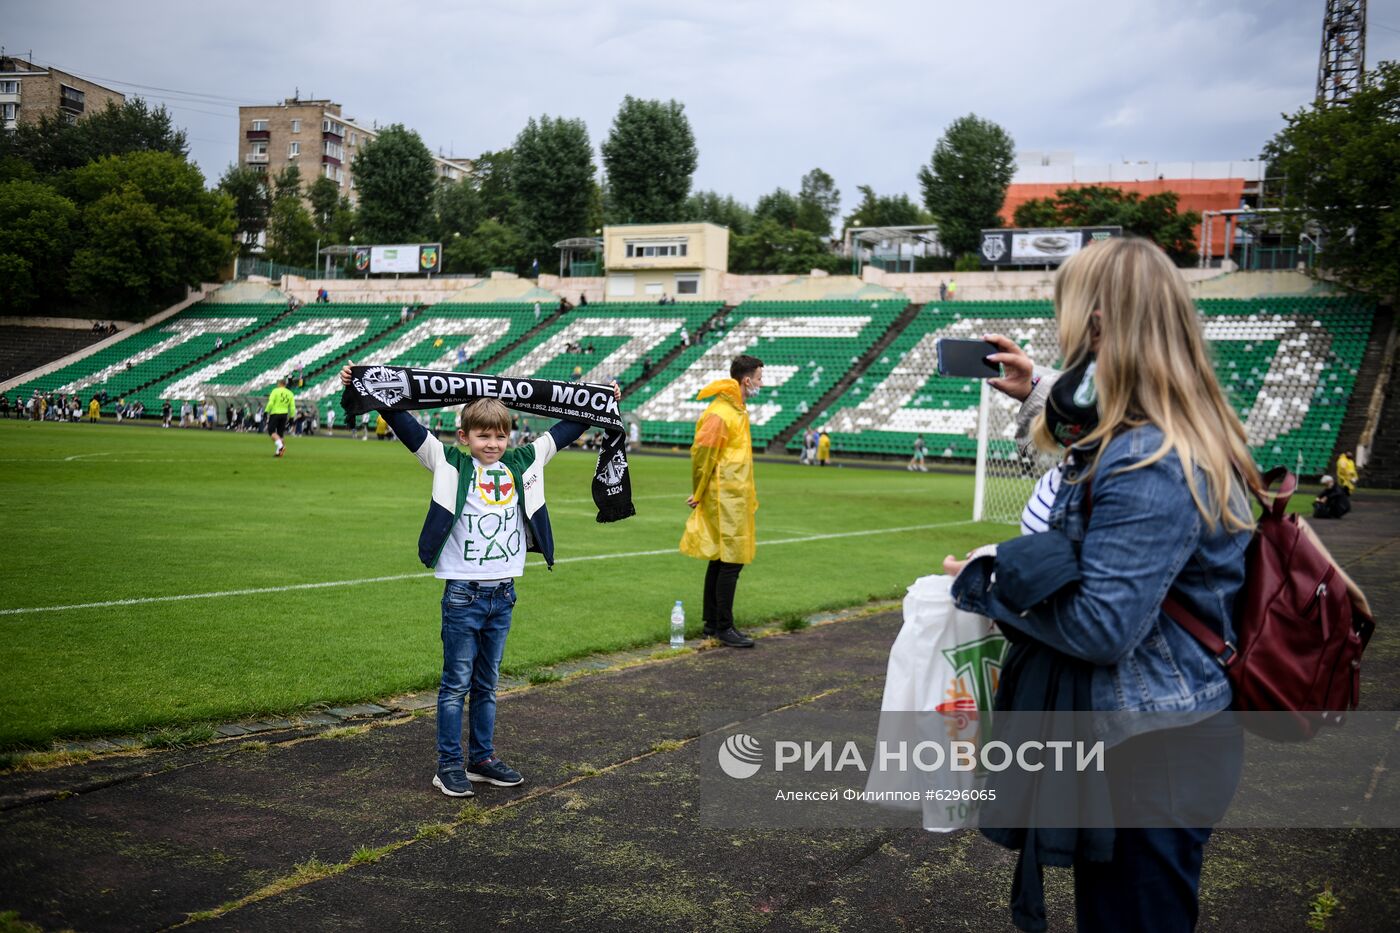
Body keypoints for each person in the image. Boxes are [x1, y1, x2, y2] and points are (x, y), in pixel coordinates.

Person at [948, 237, 1257, 931]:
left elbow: (1100, 626)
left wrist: (989, 582)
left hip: (1153, 749)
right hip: (1147, 733)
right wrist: (1037, 391)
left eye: (1068, 311)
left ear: (1096, 324)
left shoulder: (1151, 456)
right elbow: (1085, 447)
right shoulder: (1155, 432)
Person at [338, 362, 619, 798]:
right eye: (483, 436)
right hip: (462, 596)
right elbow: (402, 419)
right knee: (455, 685)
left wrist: (602, 400)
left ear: (510, 437)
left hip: (503, 594)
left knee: (487, 685)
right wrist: (364, 384)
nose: (492, 443)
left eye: (500, 435)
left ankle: (482, 758)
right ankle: (448, 765)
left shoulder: (525, 460)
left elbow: (570, 426)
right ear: (464, 437)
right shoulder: (446, 462)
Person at [680, 354, 764, 649]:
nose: (760, 383)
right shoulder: (721, 413)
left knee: (720, 559)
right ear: (746, 380)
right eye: (759, 378)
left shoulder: (736, 410)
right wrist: (699, 491)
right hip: (724, 497)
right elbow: (703, 456)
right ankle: (723, 627)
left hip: (734, 496)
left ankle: (712, 624)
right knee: (730, 561)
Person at [265, 378, 296, 458]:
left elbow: (271, 403)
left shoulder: (275, 391)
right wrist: (292, 417)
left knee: (271, 431)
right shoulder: (290, 393)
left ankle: (281, 447)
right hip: (284, 414)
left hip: (275, 413)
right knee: (280, 434)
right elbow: (292, 407)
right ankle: (279, 452)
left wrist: (266, 411)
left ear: (279, 384)